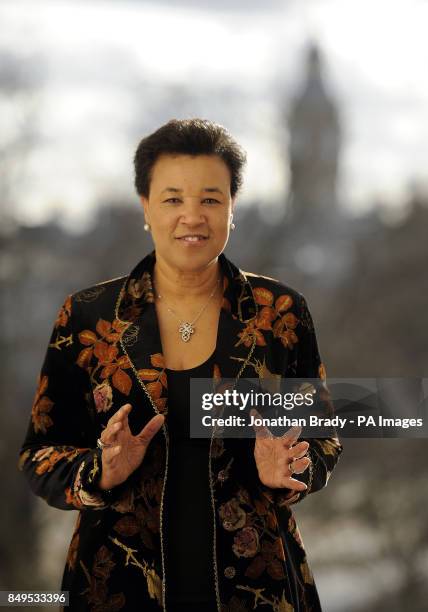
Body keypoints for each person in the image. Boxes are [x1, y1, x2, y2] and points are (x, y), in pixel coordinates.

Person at [18, 118, 343, 612]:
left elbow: (323, 435)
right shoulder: (88, 315)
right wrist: (99, 470)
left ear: (232, 208)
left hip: (257, 586)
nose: (192, 216)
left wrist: (293, 467)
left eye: (210, 199)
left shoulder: (281, 311)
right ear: (145, 207)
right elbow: (39, 454)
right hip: (116, 584)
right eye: (173, 199)